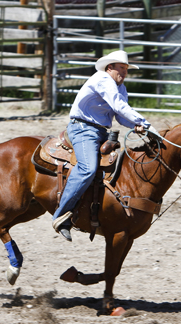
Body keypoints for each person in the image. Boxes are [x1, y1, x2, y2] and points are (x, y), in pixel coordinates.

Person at [52, 50, 151, 241]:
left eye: (126, 69)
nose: (124, 72)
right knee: (87, 169)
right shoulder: (102, 79)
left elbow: (121, 116)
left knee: (116, 168)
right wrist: (145, 123)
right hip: (82, 129)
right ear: (110, 67)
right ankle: (61, 215)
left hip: (100, 132)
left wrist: (136, 126)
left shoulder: (120, 87)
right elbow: (118, 106)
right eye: (121, 68)